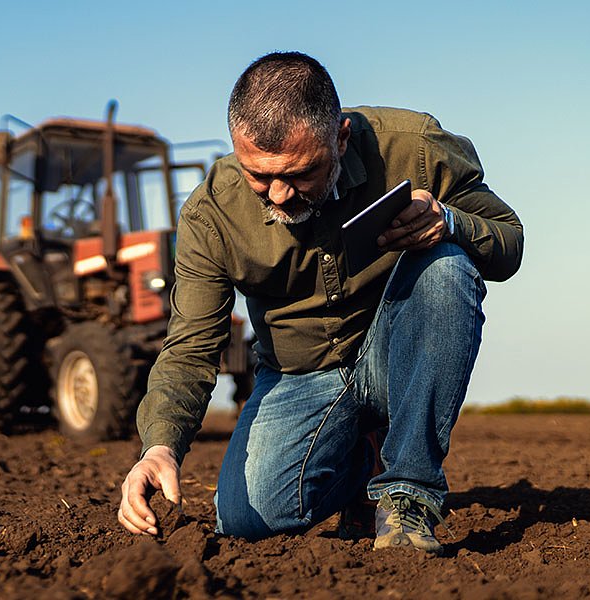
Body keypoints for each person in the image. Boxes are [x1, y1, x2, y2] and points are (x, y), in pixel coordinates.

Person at [116, 51, 523, 553]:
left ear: (342, 138)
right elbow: (191, 347)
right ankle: (361, 461)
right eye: (259, 177)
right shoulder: (210, 216)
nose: (280, 195)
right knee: (245, 519)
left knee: (446, 266)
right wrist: (160, 446)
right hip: (298, 375)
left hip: (392, 352)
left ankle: (408, 495)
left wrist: (451, 222)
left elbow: (509, 243)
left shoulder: (414, 149)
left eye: (300, 173)